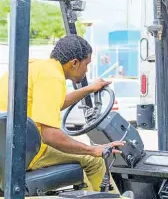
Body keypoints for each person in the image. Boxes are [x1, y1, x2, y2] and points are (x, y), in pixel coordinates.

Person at [0, 35, 124, 193]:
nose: (87, 70)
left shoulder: (37, 67)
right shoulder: (52, 76)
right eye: (86, 64)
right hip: (28, 153)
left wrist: (89, 89)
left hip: (8, 150)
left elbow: (55, 103)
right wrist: (93, 150)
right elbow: (50, 136)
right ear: (74, 63)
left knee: (81, 155)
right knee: (94, 160)